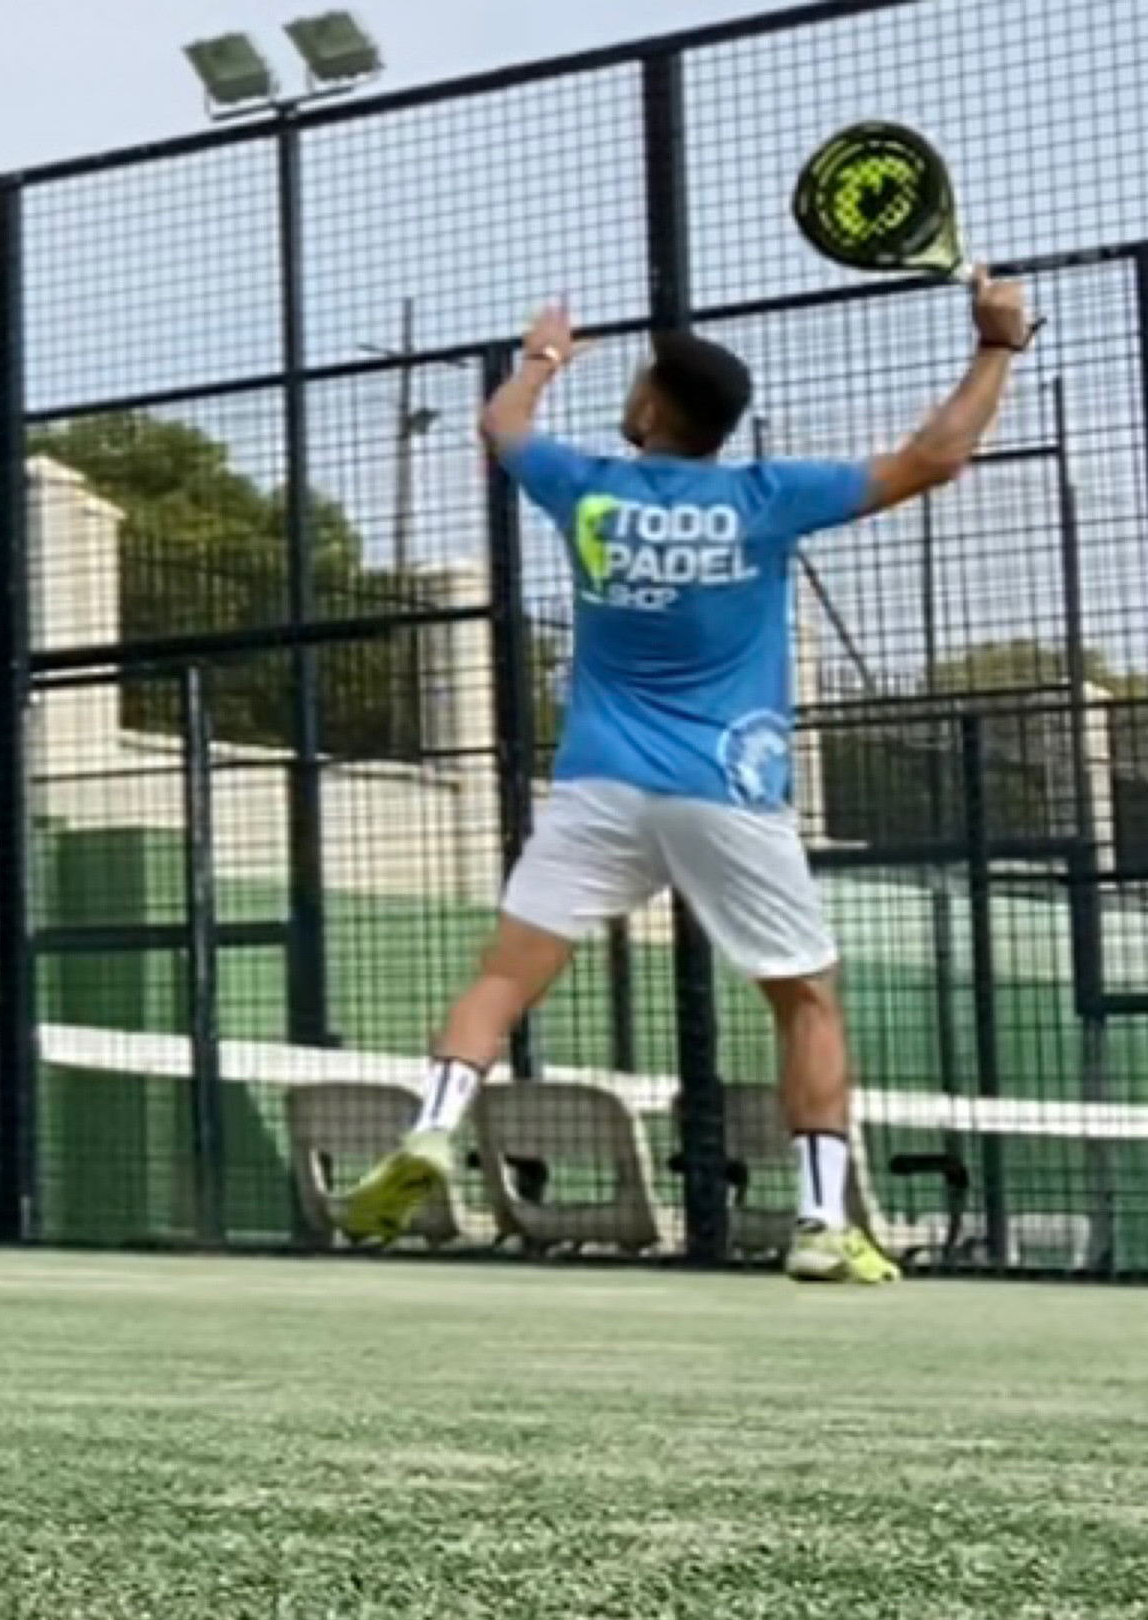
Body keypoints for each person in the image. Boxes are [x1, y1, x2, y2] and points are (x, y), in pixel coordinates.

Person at [346, 268, 1041, 1282]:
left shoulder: (588, 491)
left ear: (654, 410)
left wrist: (541, 359)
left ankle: (433, 1128)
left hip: (598, 789)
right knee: (807, 1003)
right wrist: (997, 346)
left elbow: (500, 426)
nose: (631, 388)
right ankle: (820, 1224)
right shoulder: (767, 499)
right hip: (726, 793)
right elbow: (937, 456)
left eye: (640, 380)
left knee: (503, 976)